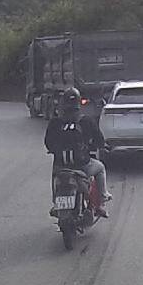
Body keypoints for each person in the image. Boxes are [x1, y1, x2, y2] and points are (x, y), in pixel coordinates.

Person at [44, 88, 112, 217]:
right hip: (83, 165)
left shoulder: (55, 122)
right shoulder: (86, 121)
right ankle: (102, 200)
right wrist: (100, 146)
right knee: (100, 168)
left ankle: (56, 203)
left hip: (61, 166)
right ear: (79, 103)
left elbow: (48, 142)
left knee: (56, 177)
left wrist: (55, 150)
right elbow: (99, 139)